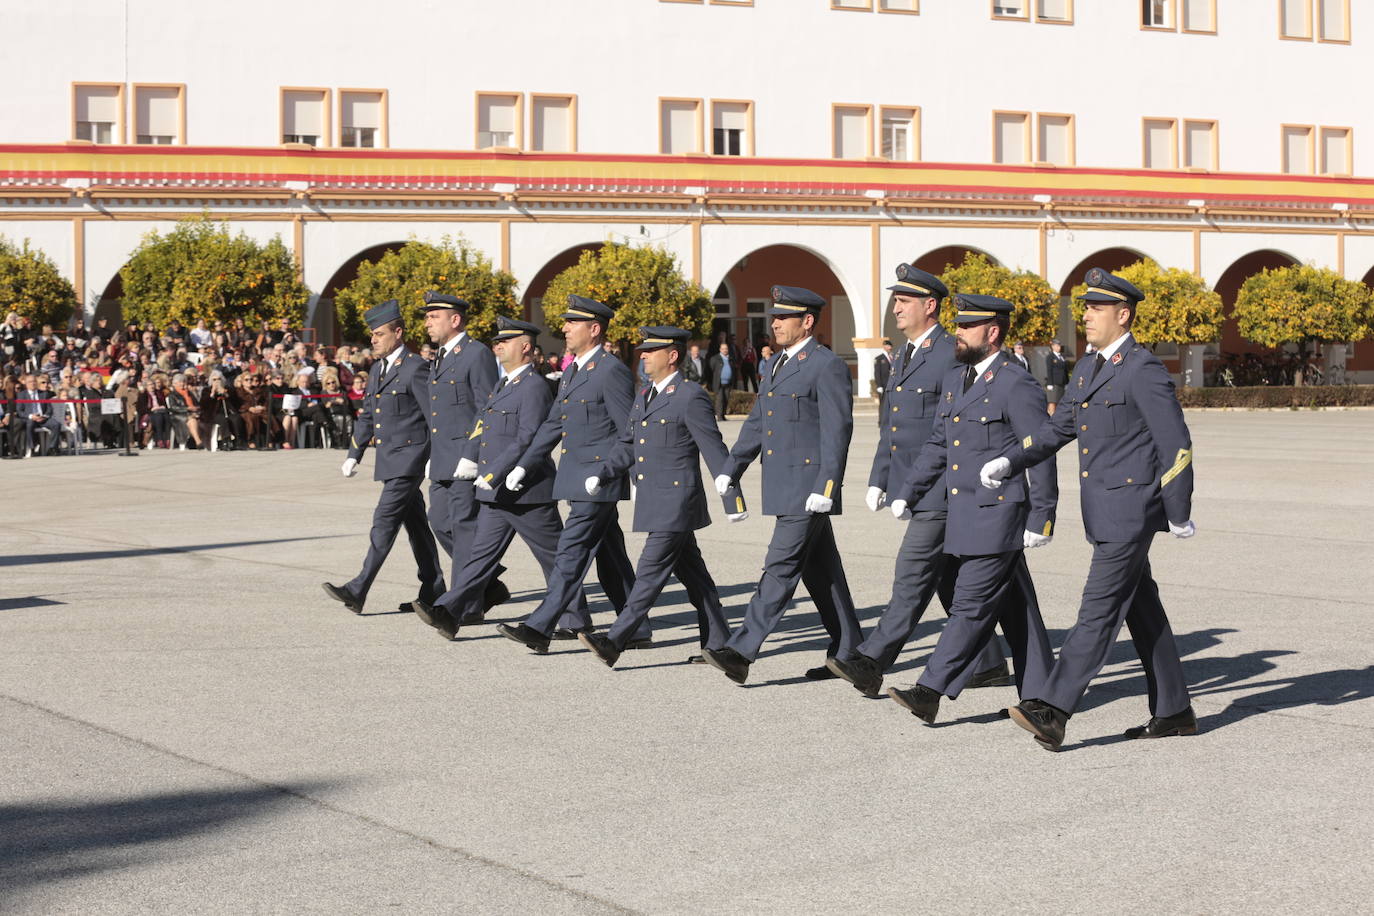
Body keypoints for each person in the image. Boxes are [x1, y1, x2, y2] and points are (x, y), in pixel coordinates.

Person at [983, 268, 1198, 750]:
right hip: (1102, 510)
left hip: (1131, 510)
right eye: (1085, 308)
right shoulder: (1088, 367)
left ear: (1123, 315)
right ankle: (1175, 709)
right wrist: (1011, 458)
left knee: (1097, 611)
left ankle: (1053, 708)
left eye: (1096, 309)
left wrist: (1178, 509)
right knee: (1142, 610)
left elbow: (1176, 442)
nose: (1086, 316)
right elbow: (1060, 430)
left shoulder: (1141, 368)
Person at [828, 265, 1009, 698]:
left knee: (911, 573)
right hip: (915, 482)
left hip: (945, 486)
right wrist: (880, 477)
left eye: (904, 301)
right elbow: (893, 425)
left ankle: (871, 661)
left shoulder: (949, 351)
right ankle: (988, 662)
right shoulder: (906, 353)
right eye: (895, 300)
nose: (896, 307)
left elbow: (953, 428)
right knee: (947, 580)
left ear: (930, 306)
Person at [880, 294, 1058, 725]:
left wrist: (1043, 515)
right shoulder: (960, 377)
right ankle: (1041, 694)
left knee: (970, 605)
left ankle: (930, 690)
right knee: (1015, 607)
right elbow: (940, 444)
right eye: (957, 325)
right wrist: (908, 490)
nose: (956, 333)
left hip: (999, 513)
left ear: (992, 333)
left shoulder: (1015, 382)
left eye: (966, 327)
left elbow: (1042, 449)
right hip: (966, 514)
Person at [703, 285, 864, 684]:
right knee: (822, 572)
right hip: (785, 485)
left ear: (807, 321)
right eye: (773, 316)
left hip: (807, 488)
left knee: (780, 566)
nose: (773, 322)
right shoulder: (775, 365)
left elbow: (837, 430)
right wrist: (731, 466)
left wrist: (826, 486)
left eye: (783, 317)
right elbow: (759, 422)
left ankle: (741, 650)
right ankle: (852, 652)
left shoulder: (824, 365)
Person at [577, 326, 746, 668]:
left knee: (649, 572)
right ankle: (719, 643)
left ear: (672, 356)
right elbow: (628, 443)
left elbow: (714, 448)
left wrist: (733, 499)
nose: (642, 356)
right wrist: (604, 472)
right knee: (695, 576)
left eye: (650, 351)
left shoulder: (689, 396)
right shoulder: (644, 395)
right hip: (655, 500)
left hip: (677, 501)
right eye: (642, 351)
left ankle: (615, 640)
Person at [412, 317, 591, 640]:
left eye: (505, 342)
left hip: (527, 491)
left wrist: (495, 472)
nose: (497, 346)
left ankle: (576, 619)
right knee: (479, 556)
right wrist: (469, 456)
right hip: (495, 493)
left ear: (525, 347)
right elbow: (482, 424)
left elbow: (528, 437)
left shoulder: (534, 387)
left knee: (554, 558)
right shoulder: (503, 384)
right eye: (496, 342)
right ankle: (450, 611)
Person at [495, 295, 651, 654]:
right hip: (577, 478)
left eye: (572, 323)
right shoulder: (573, 370)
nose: (563, 328)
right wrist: (523, 465)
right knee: (610, 556)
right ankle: (638, 626)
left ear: (594, 330)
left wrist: (636, 474)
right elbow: (553, 424)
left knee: (570, 551)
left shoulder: (610, 371)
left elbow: (630, 429)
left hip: (598, 480)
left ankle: (540, 625)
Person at [322, 299, 445, 615]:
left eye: (379, 334)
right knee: (416, 525)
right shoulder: (378, 369)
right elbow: (367, 415)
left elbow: (434, 414)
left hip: (410, 458)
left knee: (383, 523)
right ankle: (433, 586)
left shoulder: (416, 367)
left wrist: (436, 454)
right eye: (372, 335)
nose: (373, 340)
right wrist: (354, 453)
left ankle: (358, 588)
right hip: (390, 459)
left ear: (398, 333)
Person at [415, 290, 508, 621]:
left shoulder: (476, 354)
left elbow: (487, 406)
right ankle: (487, 580)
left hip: (465, 459)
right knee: (439, 522)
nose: (427, 322)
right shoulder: (440, 355)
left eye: (433, 316)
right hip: (442, 458)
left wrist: (473, 454)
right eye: (427, 316)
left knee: (464, 527)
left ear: (455, 320)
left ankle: (462, 607)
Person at [708, 341, 735, 419]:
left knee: (726, 399)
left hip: (728, 383)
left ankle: (723, 415)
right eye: (723, 349)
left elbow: (734, 370)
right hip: (718, 383)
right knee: (720, 400)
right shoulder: (715, 358)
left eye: (726, 349)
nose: (725, 350)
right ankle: (719, 416)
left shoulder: (730, 358)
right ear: (720, 350)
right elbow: (711, 371)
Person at [1044, 338, 1071, 415]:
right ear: (1052, 346)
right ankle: (1051, 416)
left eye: (1059, 345)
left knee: (1060, 402)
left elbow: (1066, 371)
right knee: (1052, 401)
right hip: (1054, 383)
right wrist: (1050, 383)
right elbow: (1049, 370)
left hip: (1062, 383)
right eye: (1057, 345)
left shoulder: (1062, 357)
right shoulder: (1050, 357)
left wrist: (1067, 382)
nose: (1059, 347)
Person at [873, 338, 894, 424]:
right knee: (883, 404)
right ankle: (881, 421)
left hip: (891, 384)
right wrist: (879, 385)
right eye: (887, 345)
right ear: (884, 347)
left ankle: (889, 420)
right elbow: (877, 373)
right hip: (883, 385)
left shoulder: (893, 357)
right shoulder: (879, 358)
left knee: (891, 403)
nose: (889, 347)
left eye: (889, 345)